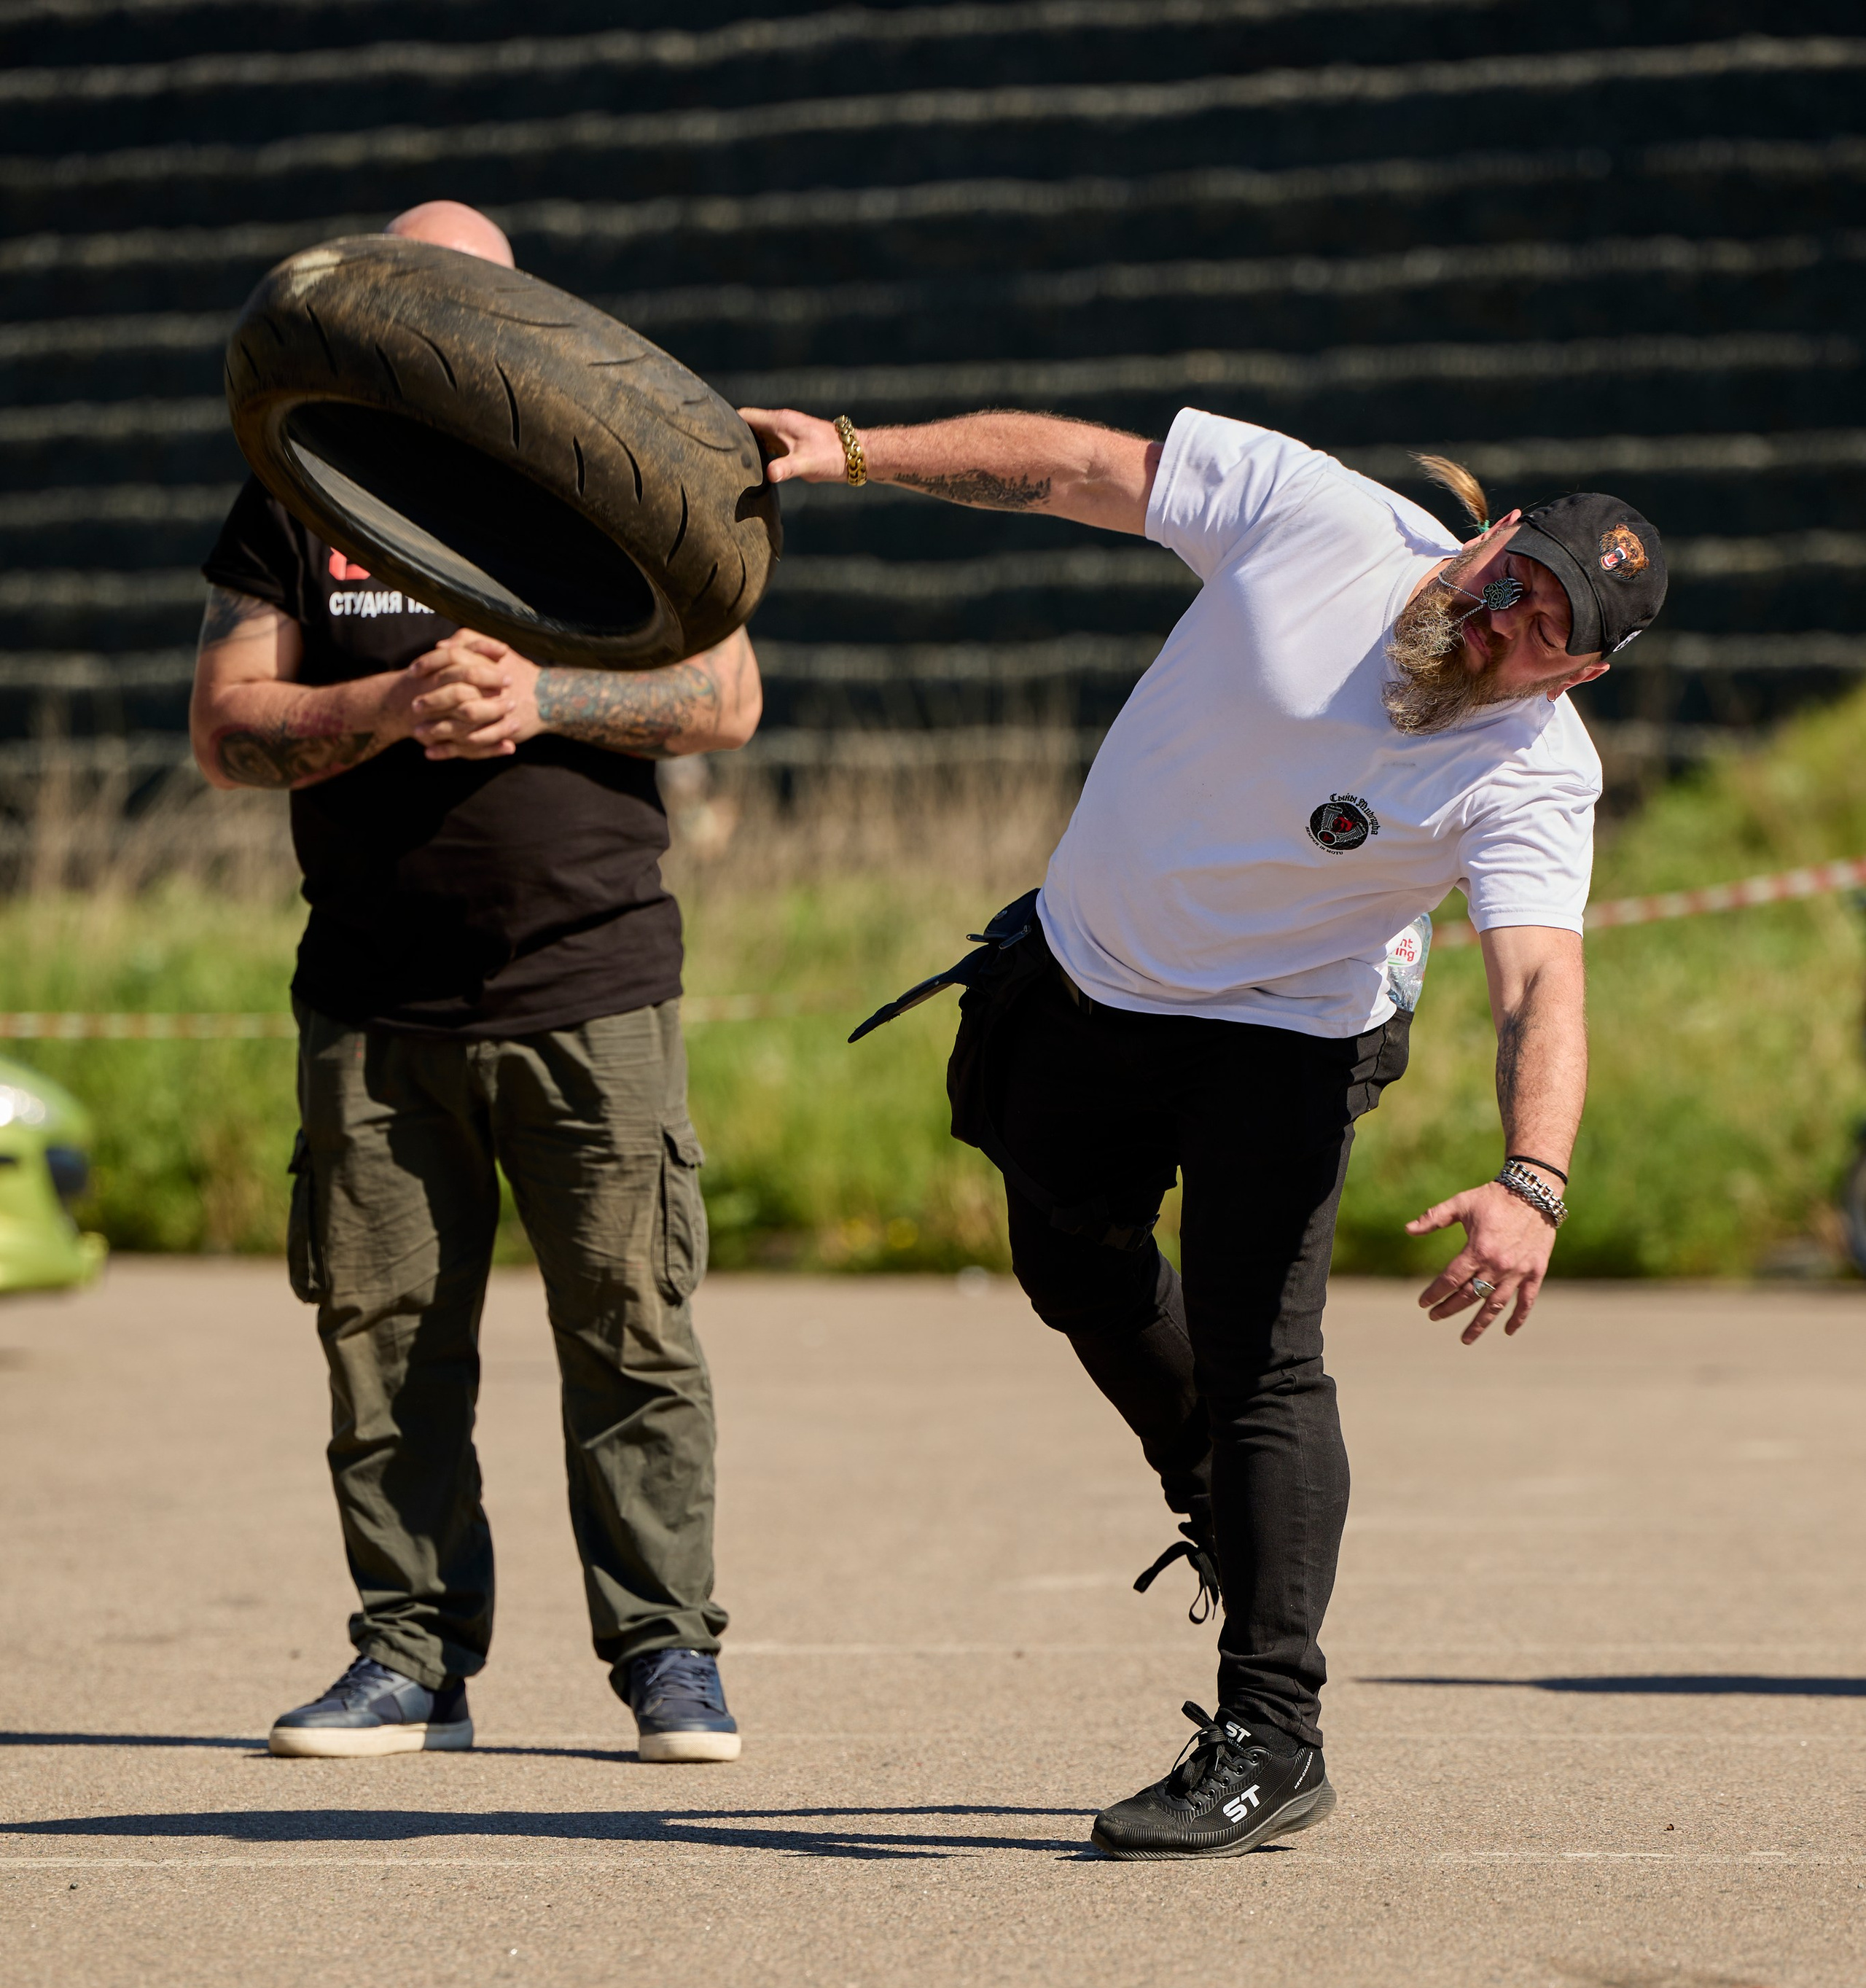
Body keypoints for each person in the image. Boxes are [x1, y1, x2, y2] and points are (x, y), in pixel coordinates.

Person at [740, 398, 1666, 1856]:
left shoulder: (1531, 772)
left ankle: (1270, 1736)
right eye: (1513, 575)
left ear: (1584, 672)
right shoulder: (1318, 517)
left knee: (1262, 1360)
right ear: (1488, 532)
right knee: (1070, 1270)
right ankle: (1210, 1487)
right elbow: (1074, 469)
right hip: (1085, 980)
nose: (1501, 622)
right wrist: (855, 453)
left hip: (1284, 1038)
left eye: (1547, 627)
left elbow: (1538, 980)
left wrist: (1528, 1181)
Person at [192, 200, 760, 1763]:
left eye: (474, 300)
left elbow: (726, 694)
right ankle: (409, 1663)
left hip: (593, 980)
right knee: (382, 1347)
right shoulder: (298, 483)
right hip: (373, 1002)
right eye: (418, 291)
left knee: (632, 1335)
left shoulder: (597, 475)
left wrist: (543, 693)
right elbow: (226, 724)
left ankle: (667, 1660)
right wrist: (382, 699)